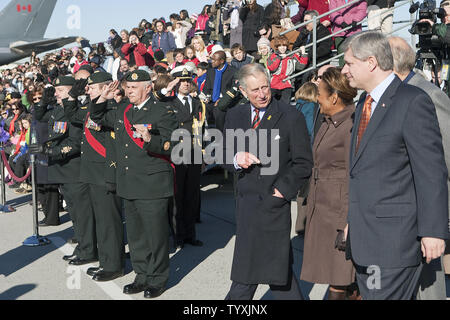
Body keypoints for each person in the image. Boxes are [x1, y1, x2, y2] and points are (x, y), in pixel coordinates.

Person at [341, 31, 449, 300]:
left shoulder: (412, 101)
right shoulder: (365, 102)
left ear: (371, 62)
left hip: (394, 242)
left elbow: (431, 172)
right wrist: (352, 221)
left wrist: (433, 231)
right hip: (367, 238)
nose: (344, 71)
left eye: (349, 63)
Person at [223, 63, 313, 300]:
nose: (262, 94)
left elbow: (303, 162)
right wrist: (235, 158)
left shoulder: (290, 116)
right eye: (254, 90)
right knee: (274, 272)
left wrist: (281, 192)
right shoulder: (235, 115)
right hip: (245, 205)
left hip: (273, 205)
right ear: (242, 91)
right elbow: (221, 151)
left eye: (265, 87)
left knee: (258, 272)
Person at [90, 70, 178, 299]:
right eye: (127, 87)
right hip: (128, 183)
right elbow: (97, 118)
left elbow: (174, 144)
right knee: (137, 236)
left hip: (152, 184)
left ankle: (157, 279)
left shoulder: (162, 110)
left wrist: (151, 140)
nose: (128, 91)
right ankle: (141, 275)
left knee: (155, 236)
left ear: (148, 88)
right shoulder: (123, 110)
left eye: (134, 87)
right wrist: (102, 98)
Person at [388, 36, 450, 300]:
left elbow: (445, 159)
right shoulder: (393, 94)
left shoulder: (428, 94)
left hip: (424, 213)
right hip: (399, 214)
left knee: (427, 288)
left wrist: (436, 223)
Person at [300, 67, 358, 300]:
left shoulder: (351, 125)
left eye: (320, 94)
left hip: (338, 211)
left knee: (340, 277)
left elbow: (355, 175)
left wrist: (348, 219)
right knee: (335, 274)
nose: (317, 99)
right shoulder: (327, 120)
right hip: (322, 206)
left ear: (334, 97)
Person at [63, 72, 125, 282]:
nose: (87, 90)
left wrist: (105, 99)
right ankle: (106, 261)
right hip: (91, 173)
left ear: (106, 88)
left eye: (92, 87)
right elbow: (71, 114)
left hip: (105, 172)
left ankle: (113, 265)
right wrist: (72, 93)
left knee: (109, 221)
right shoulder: (91, 109)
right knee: (101, 220)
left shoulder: (113, 109)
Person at [31, 77, 94, 264]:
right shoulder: (59, 109)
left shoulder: (73, 111)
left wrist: (48, 150)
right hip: (62, 169)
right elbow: (40, 117)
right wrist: (43, 101)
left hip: (73, 168)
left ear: (69, 91)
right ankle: (83, 246)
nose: (56, 94)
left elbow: (75, 143)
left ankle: (88, 250)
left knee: (82, 214)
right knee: (75, 213)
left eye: (59, 90)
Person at [169, 66, 205, 249]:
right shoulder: (170, 102)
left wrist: (203, 154)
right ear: (176, 83)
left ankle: (190, 233)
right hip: (177, 153)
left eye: (188, 81)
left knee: (192, 195)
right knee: (178, 196)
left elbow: (201, 129)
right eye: (182, 81)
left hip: (194, 152)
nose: (185, 84)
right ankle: (178, 235)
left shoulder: (197, 102)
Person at [203, 50, 238, 130]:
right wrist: (206, 98)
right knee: (204, 108)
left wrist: (221, 100)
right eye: (212, 59)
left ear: (222, 61)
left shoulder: (232, 72)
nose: (212, 61)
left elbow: (233, 90)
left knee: (219, 111)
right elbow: (206, 88)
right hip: (211, 100)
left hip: (225, 101)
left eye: (214, 60)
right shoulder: (210, 71)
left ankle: (220, 135)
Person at [267, 35, 308, 103]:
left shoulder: (292, 55)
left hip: (287, 83)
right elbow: (272, 68)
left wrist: (303, 53)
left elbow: (300, 66)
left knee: (285, 103)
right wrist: (280, 58)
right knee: (270, 101)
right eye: (280, 46)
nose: (282, 48)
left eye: (284, 46)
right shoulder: (273, 56)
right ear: (277, 47)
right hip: (274, 83)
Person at [329, 0, 367, 67]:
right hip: (340, 31)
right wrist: (341, 22)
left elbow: (362, 10)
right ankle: (343, 74)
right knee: (342, 56)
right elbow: (333, 12)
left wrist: (356, 20)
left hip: (355, 30)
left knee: (356, 55)